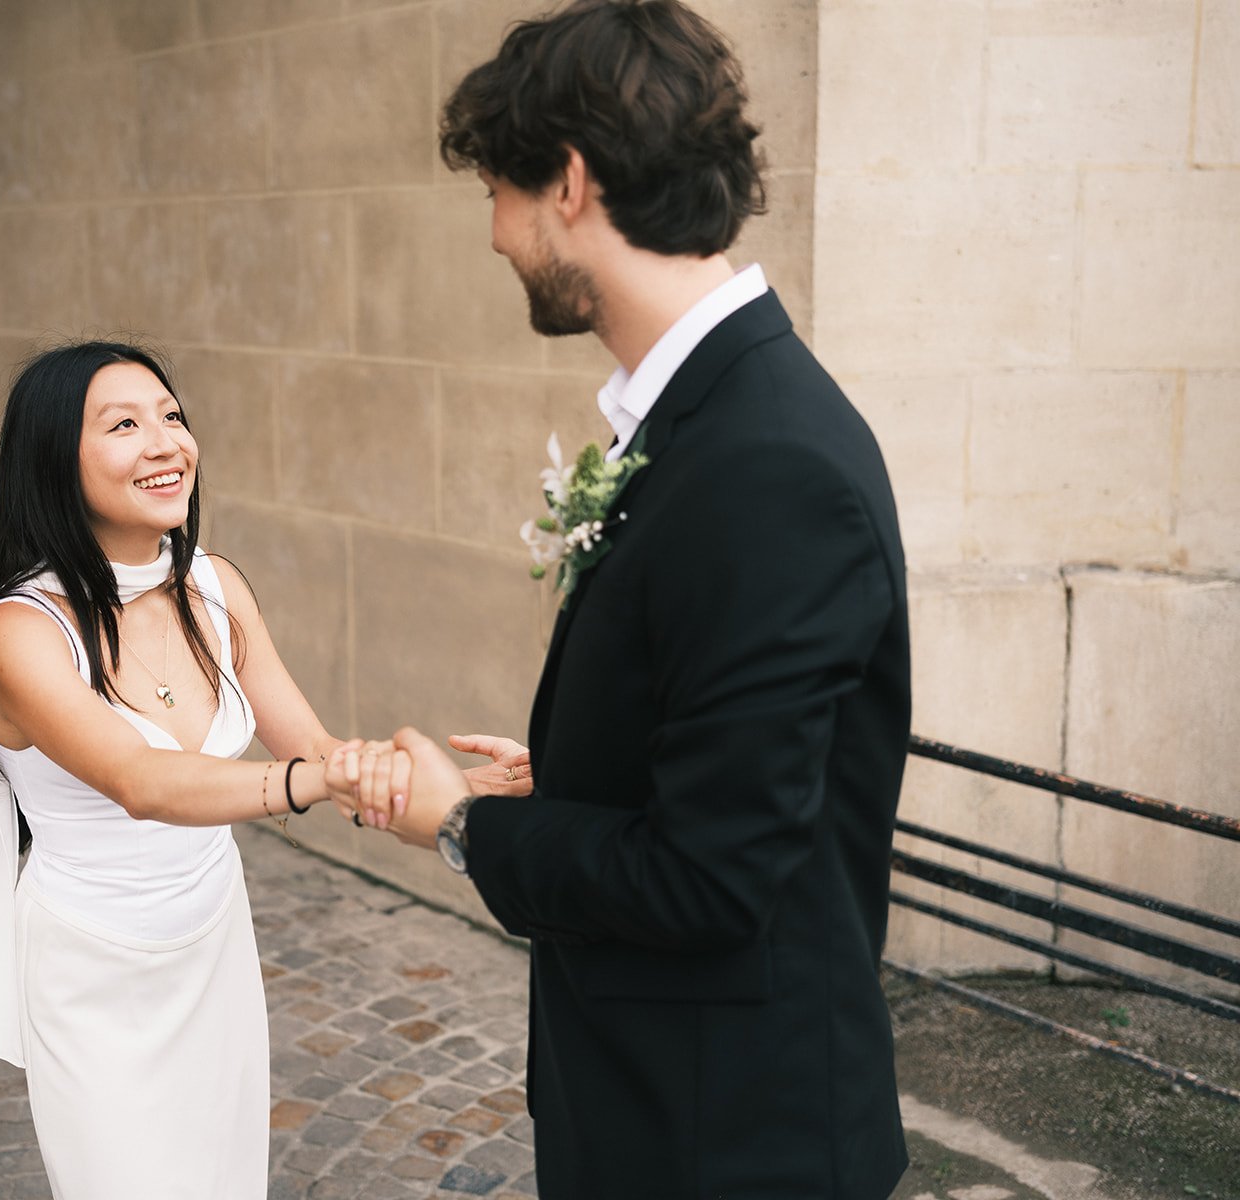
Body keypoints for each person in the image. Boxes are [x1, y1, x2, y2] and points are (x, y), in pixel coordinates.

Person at [377, 3, 913, 1196]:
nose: (496, 239)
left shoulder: (769, 465)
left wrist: (462, 825)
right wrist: (575, 773)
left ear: (567, 182)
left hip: (728, 1142)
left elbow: (708, 880)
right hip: (666, 1112)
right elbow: (728, 764)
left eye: (497, 198)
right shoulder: (705, 419)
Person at [0, 340, 526, 1198]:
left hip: (212, 942)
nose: (165, 441)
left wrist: (461, 796)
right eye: (125, 425)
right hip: (93, 971)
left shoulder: (216, 588)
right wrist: (313, 785)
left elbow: (320, 753)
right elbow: (142, 780)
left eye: (173, 417)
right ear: (54, 460)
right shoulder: (19, 630)